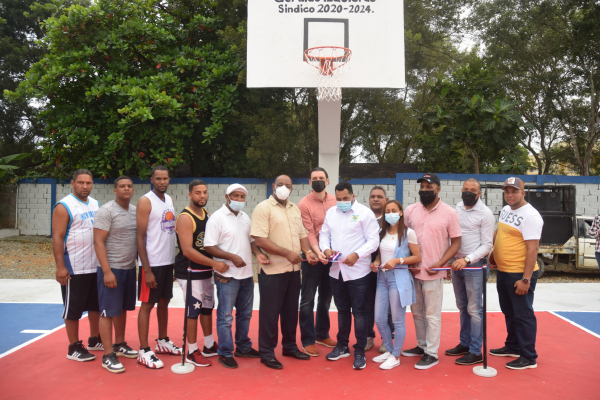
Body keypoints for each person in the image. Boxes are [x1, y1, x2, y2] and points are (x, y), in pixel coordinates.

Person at [250, 175, 319, 369]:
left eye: (288, 185)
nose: (284, 188)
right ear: (273, 186)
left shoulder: (294, 208)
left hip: (293, 270)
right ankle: (267, 352)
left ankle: (289, 346)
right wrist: (287, 253)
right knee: (270, 314)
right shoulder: (263, 208)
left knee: (290, 313)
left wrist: (307, 252)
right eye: (280, 185)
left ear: (292, 189)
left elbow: (302, 235)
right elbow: (260, 239)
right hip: (273, 271)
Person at [205, 184, 269, 369]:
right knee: (225, 317)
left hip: (246, 276)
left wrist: (258, 254)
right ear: (227, 197)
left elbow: (251, 241)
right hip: (227, 276)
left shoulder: (245, 217)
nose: (239, 200)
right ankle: (225, 353)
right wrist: (231, 257)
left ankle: (243, 347)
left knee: (245, 315)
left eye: (242, 197)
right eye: (235, 196)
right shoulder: (217, 218)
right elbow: (209, 246)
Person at [402, 173, 461, 370]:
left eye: (429, 187)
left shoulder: (450, 213)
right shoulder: (411, 210)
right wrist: (408, 262)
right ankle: (422, 345)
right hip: (413, 271)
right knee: (416, 313)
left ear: (438, 189)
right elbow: (403, 239)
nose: (425, 190)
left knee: (432, 315)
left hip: (434, 273)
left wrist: (441, 264)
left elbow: (456, 242)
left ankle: (432, 353)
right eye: (422, 187)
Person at [319, 181, 380, 370]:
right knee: (342, 310)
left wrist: (357, 254)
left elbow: (373, 241)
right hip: (336, 271)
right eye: (339, 199)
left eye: (345, 198)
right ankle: (342, 346)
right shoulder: (331, 213)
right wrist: (326, 249)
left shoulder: (365, 213)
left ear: (353, 196)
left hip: (358, 272)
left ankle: (359, 350)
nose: (342, 202)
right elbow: (324, 234)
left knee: (359, 312)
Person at [489, 177, 543, 370]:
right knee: (509, 312)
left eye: (514, 191)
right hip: (504, 271)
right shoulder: (506, 209)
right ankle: (512, 346)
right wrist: (493, 254)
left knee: (523, 315)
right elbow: (499, 232)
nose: (510, 195)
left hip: (519, 274)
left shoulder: (531, 216)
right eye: (507, 191)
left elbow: (533, 249)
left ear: (523, 192)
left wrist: (525, 279)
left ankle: (528, 357)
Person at [174, 179, 228, 367]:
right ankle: (191, 351)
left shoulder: (206, 214)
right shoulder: (185, 218)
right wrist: (215, 263)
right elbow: (188, 250)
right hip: (190, 271)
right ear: (190, 194)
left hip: (205, 270)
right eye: (198, 193)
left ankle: (209, 345)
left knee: (207, 308)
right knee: (193, 311)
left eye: (204, 192)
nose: (202, 195)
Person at [52, 169, 101, 362]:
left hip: (94, 265)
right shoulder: (64, 206)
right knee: (73, 309)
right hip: (75, 267)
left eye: (88, 183)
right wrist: (60, 266)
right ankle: (73, 347)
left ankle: (94, 339)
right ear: (73, 183)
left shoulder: (95, 203)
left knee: (96, 305)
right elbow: (57, 238)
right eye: (80, 182)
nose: (84, 186)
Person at [446, 178, 495, 366]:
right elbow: (452, 235)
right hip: (456, 265)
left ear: (479, 193)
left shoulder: (486, 214)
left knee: (474, 310)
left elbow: (487, 245)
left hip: (474, 266)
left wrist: (466, 259)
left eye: (473, 190)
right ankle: (464, 343)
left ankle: (475, 351)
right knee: (462, 306)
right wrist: (450, 260)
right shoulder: (457, 208)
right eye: (465, 189)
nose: (468, 192)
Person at [136, 165, 181, 369]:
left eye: (165, 178)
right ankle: (144, 350)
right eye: (158, 179)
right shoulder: (145, 201)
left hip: (167, 262)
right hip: (152, 263)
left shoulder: (169, 199)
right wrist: (146, 270)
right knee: (147, 305)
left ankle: (162, 341)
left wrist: (173, 261)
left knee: (164, 301)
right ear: (151, 180)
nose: (162, 182)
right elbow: (139, 237)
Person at [93, 176, 139, 373]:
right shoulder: (106, 211)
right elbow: (98, 242)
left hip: (129, 268)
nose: (126, 189)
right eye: (122, 186)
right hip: (112, 269)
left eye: (129, 186)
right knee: (108, 311)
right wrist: (107, 271)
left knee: (121, 309)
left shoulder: (135, 211)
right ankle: (108, 354)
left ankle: (120, 344)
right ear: (115, 190)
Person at [370, 200, 421, 370]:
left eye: (394, 210)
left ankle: (396, 356)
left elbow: (417, 257)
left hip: (398, 278)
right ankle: (390, 350)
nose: (390, 213)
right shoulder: (382, 232)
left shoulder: (409, 233)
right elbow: (380, 254)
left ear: (400, 212)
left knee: (398, 320)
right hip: (382, 278)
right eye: (387, 211)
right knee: (379, 318)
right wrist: (376, 262)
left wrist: (397, 260)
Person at [297, 167, 337, 357]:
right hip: (312, 257)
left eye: (321, 178)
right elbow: (309, 232)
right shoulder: (303, 204)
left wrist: (330, 253)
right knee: (307, 299)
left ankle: (322, 334)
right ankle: (308, 340)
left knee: (326, 297)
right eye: (314, 178)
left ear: (327, 181)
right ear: (309, 182)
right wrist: (317, 252)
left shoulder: (335, 200)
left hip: (332, 257)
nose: (318, 181)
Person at [367, 186, 394, 353]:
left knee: (388, 306)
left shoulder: (391, 219)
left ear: (386, 199)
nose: (376, 199)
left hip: (387, 269)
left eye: (379, 196)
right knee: (367, 304)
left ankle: (387, 339)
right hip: (366, 268)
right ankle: (368, 337)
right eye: (372, 196)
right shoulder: (363, 217)